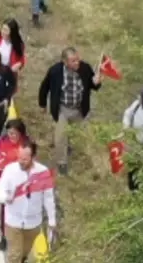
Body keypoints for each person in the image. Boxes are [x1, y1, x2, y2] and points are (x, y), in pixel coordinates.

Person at [0, 139, 57, 263]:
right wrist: (5, 198)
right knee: (13, 253)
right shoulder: (10, 170)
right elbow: (0, 190)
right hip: (13, 221)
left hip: (32, 223)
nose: (21, 161)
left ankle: (23, 260)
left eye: (25, 158)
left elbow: (49, 198)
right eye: (19, 157)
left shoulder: (43, 173)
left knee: (24, 251)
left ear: (33, 157)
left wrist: (52, 220)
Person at [36, 47, 104, 176]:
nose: (77, 63)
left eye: (78, 59)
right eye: (73, 61)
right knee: (60, 137)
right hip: (63, 108)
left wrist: (97, 82)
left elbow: (92, 85)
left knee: (77, 133)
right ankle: (62, 162)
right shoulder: (55, 71)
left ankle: (69, 146)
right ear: (65, 62)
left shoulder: (85, 68)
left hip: (79, 109)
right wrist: (42, 104)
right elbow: (44, 87)